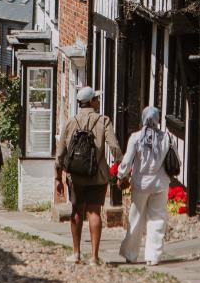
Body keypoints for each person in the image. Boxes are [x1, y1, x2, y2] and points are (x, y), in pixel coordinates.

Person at [55, 87, 121, 265]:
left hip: (75, 176)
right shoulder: (103, 121)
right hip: (97, 176)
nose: (98, 102)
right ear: (91, 101)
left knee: (76, 211)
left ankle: (76, 254)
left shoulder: (70, 122)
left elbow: (60, 153)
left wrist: (58, 178)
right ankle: (94, 257)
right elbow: (113, 146)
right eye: (96, 99)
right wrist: (121, 166)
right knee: (94, 212)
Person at [117, 107, 171, 266]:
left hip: (141, 185)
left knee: (136, 218)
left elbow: (127, 161)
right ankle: (153, 256)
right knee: (157, 219)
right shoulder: (166, 137)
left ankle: (131, 254)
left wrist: (121, 175)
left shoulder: (136, 138)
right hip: (160, 185)